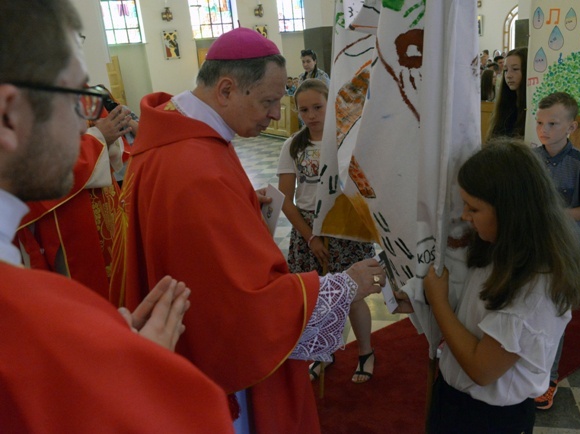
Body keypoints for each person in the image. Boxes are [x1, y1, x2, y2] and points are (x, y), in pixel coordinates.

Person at [110, 27, 385, 433]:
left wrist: (239, 206)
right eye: (269, 101)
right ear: (226, 90)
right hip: (216, 364)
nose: (277, 114)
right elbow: (245, 309)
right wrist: (345, 286)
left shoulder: (174, 138)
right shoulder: (195, 168)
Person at [0, 1, 234, 431]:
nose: (85, 123)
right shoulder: (23, 319)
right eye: (78, 97)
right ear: (9, 116)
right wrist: (138, 376)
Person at [424, 139, 580, 433]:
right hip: (454, 396)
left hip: (489, 418)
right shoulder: (499, 245)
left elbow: (482, 370)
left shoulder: (536, 284)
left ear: (510, 210)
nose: (464, 217)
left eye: (473, 208)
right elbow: (474, 308)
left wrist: (438, 303)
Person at [277, 79, 376, 383]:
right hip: (308, 230)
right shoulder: (293, 145)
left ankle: (366, 352)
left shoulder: (347, 141)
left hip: (343, 226)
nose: (311, 115)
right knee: (317, 296)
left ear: (330, 103)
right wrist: (310, 235)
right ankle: (323, 352)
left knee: (353, 295)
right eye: (304, 109)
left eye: (317, 107)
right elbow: (285, 199)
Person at [15, 84, 134, 299]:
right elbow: (33, 169)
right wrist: (98, 139)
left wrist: (111, 132)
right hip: (66, 220)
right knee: (87, 299)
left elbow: (111, 140)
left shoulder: (78, 87)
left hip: (105, 205)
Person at [532, 92, 580, 410]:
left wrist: (554, 213)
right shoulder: (530, 159)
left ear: (571, 126)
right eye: (539, 122)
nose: (544, 129)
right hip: (532, 249)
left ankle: (549, 378)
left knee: (554, 316)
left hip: (564, 253)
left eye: (552, 123)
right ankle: (526, 369)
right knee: (529, 311)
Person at [486, 47, 528, 140]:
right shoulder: (504, 107)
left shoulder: (533, 111)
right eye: (506, 70)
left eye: (515, 69)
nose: (508, 75)